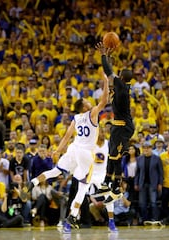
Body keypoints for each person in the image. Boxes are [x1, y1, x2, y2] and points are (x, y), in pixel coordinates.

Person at [27, 70, 109, 234]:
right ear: (85, 106)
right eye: (86, 101)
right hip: (85, 153)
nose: (89, 101)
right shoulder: (92, 114)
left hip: (73, 149)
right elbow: (105, 99)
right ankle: (72, 216)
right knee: (83, 187)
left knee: (55, 171)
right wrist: (106, 80)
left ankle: (33, 182)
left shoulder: (76, 118)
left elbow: (66, 137)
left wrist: (57, 151)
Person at [96, 42, 134, 204]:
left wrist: (104, 55)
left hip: (123, 126)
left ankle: (116, 188)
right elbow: (111, 74)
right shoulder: (122, 86)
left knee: (116, 157)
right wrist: (110, 57)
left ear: (121, 78)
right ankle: (106, 183)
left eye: (118, 75)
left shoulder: (122, 86)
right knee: (112, 155)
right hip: (118, 125)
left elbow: (108, 72)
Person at [134, 141, 163, 224]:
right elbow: (137, 172)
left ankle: (154, 219)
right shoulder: (139, 158)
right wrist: (136, 183)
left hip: (153, 183)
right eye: (144, 148)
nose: (146, 149)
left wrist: (160, 183)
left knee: (153, 202)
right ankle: (144, 219)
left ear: (151, 148)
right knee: (142, 203)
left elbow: (161, 172)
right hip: (142, 183)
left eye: (148, 148)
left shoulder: (157, 158)